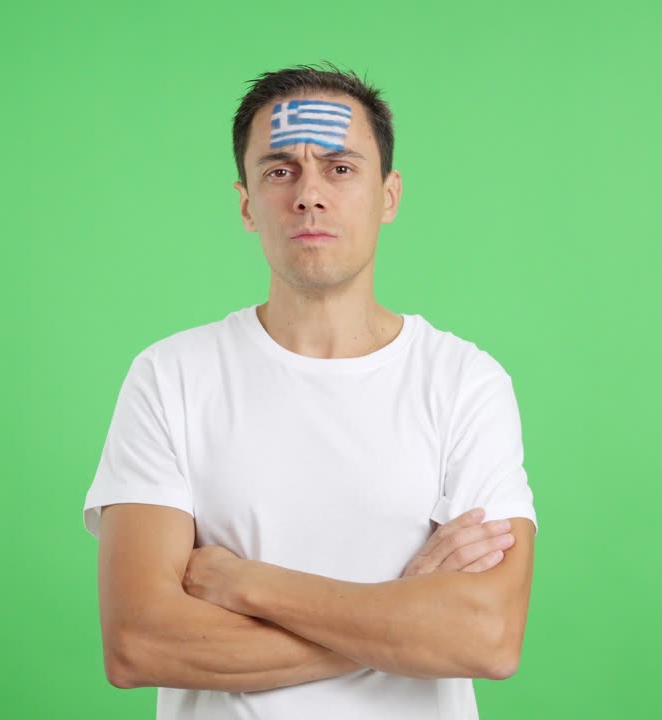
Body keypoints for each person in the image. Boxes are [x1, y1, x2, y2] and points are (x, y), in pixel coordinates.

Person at [82, 62, 539, 719]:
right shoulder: (170, 376)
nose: (309, 195)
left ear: (389, 195)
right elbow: (138, 644)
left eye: (340, 168)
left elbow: (488, 638)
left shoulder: (464, 382)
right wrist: (403, 612)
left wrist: (248, 584)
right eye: (280, 171)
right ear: (247, 204)